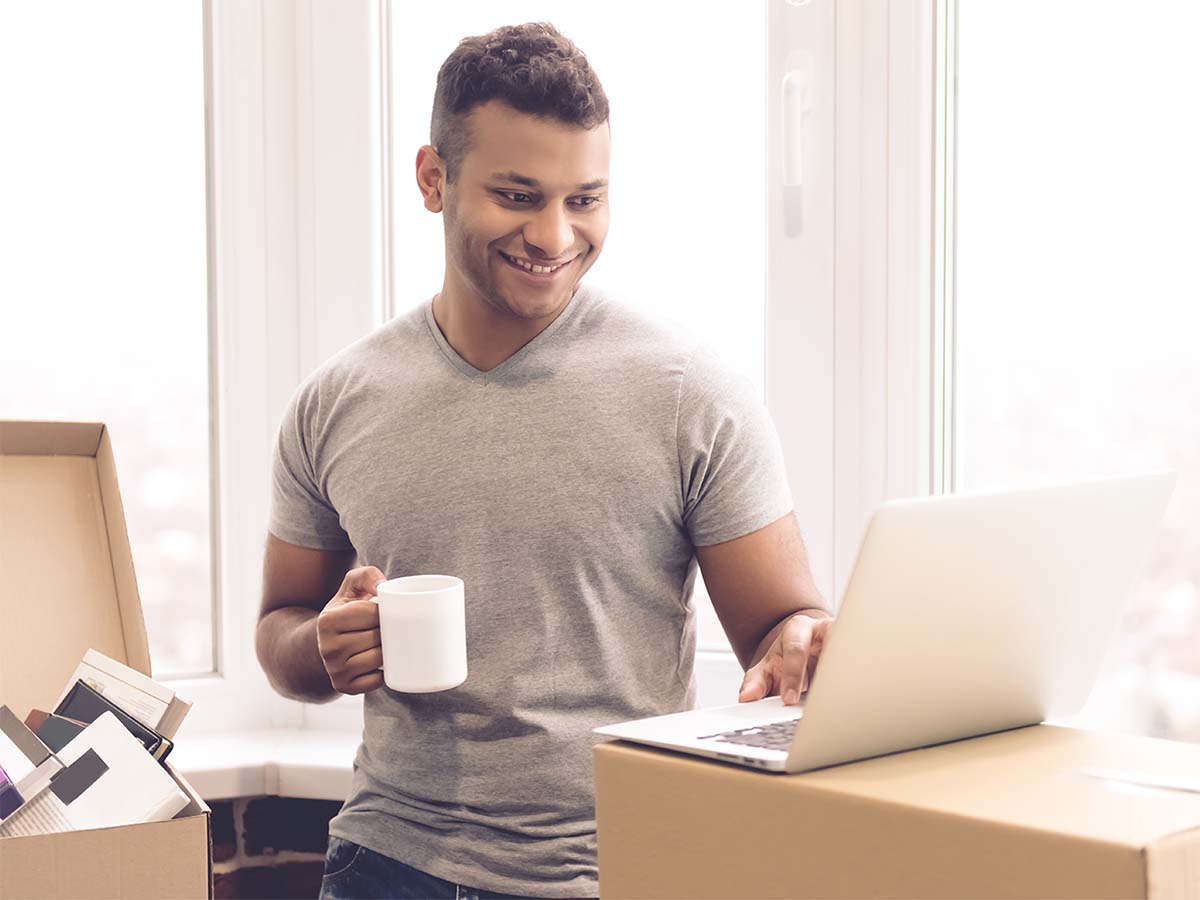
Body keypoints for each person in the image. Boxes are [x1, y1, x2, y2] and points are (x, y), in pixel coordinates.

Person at [256, 21, 834, 900]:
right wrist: (320, 647)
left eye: (585, 199)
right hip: (387, 862)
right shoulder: (336, 401)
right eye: (518, 196)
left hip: (612, 869)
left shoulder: (691, 393)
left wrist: (799, 640)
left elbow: (781, 626)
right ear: (433, 179)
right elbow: (281, 629)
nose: (555, 235)